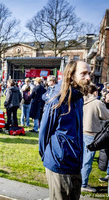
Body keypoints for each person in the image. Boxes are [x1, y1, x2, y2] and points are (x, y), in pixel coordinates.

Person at [39, 60, 91, 200]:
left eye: (89, 73)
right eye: (84, 73)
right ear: (71, 74)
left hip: (75, 163)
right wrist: (49, 156)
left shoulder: (78, 97)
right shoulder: (58, 98)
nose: (88, 78)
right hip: (60, 163)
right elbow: (44, 131)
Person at [80, 84, 109, 193]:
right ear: (95, 92)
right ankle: (83, 183)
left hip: (82, 132)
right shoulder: (96, 103)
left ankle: (80, 181)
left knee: (82, 159)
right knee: (87, 161)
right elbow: (107, 115)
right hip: (91, 134)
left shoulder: (81, 101)